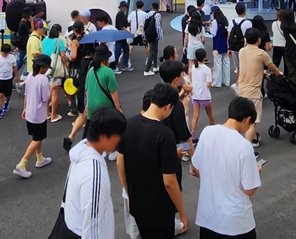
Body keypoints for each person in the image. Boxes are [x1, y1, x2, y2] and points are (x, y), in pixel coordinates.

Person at [116, 83, 188, 237]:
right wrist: (182, 212)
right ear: (168, 107)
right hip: (160, 207)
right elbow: (169, 182)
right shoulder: (164, 134)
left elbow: (120, 162)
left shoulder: (128, 124)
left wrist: (129, 194)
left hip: (138, 203)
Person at [190, 97, 263, 239]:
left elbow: (195, 168)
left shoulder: (207, 132)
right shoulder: (244, 146)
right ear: (247, 120)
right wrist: (256, 172)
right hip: (235, 223)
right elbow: (250, 189)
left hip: (208, 217)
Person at [60, 107, 127, 239]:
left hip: (70, 226)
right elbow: (92, 229)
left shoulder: (79, 154)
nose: (121, 140)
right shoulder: (94, 175)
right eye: (118, 135)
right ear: (103, 137)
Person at [65, 46, 121, 153]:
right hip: (105, 105)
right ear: (106, 58)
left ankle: (86, 147)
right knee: (112, 126)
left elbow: (87, 90)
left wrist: (87, 104)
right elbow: (113, 92)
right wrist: (118, 107)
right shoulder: (109, 72)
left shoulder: (91, 70)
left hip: (92, 105)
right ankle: (113, 151)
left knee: (91, 129)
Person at [236, 29, 282, 146]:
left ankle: (254, 138)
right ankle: (247, 147)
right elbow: (272, 66)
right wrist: (278, 73)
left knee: (244, 118)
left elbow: (249, 65)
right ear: (259, 40)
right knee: (252, 122)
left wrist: (261, 71)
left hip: (242, 89)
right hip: (254, 91)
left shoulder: (242, 51)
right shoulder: (261, 54)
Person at [14, 54, 53, 179]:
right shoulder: (43, 79)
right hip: (38, 114)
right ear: (42, 67)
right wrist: (51, 89)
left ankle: (40, 158)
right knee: (37, 138)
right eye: (46, 67)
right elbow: (45, 98)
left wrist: (24, 108)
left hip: (29, 111)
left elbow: (26, 94)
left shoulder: (30, 76)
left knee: (37, 137)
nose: (47, 69)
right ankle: (22, 164)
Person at [41, 25, 66, 122]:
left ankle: (46, 113)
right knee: (55, 93)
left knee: (47, 91)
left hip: (45, 68)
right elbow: (63, 55)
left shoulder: (44, 40)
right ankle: (53, 115)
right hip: (56, 69)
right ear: (59, 32)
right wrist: (66, 64)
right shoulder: (59, 41)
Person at [189, 48, 214, 136]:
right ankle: (213, 133)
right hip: (205, 96)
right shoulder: (206, 69)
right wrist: (211, 74)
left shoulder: (193, 67)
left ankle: (192, 135)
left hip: (195, 95)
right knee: (210, 115)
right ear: (205, 57)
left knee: (195, 116)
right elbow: (209, 84)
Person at [0, 43, 17, 119]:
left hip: (8, 79)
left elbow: (14, 67)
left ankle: (6, 103)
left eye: (6, 53)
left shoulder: (11, 58)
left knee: (8, 95)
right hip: (0, 79)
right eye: (3, 52)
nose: (4, 54)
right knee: (0, 95)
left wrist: (16, 76)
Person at [127, 1, 148, 72]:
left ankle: (128, 60)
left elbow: (128, 21)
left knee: (131, 46)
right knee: (146, 46)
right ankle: (147, 59)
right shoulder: (145, 14)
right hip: (142, 33)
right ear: (142, 6)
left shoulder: (132, 13)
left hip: (134, 32)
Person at [143, 2, 163, 76]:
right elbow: (158, 26)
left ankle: (155, 66)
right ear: (157, 7)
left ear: (151, 7)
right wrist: (159, 36)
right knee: (152, 51)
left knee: (154, 50)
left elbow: (144, 26)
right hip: (154, 35)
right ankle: (147, 70)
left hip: (148, 34)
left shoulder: (147, 14)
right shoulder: (157, 15)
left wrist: (144, 36)